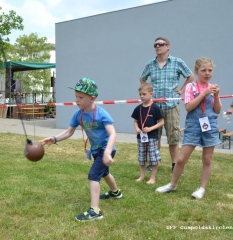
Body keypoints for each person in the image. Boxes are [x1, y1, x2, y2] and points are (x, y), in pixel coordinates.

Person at [40, 78, 122, 221]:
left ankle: (95, 211)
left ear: (92, 98)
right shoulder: (78, 114)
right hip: (96, 150)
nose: (77, 100)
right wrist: (54, 139)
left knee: (93, 175)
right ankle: (115, 192)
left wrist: (108, 152)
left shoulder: (102, 114)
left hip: (106, 148)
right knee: (104, 172)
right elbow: (69, 131)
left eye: (81, 97)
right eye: (76, 97)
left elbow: (113, 133)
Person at [156, 57, 221, 199]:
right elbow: (189, 106)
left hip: (210, 126)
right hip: (193, 126)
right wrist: (204, 93)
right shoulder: (191, 87)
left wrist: (216, 95)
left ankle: (202, 188)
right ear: (197, 71)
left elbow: (217, 110)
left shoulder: (213, 88)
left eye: (210, 70)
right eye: (203, 70)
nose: (207, 73)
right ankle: (172, 185)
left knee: (207, 159)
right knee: (181, 159)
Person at [140, 37, 195, 172]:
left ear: (168, 46)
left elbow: (191, 76)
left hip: (171, 106)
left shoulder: (177, 62)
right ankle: (154, 162)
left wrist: (182, 90)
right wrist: (148, 91)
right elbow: (142, 78)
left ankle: (174, 165)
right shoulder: (150, 65)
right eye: (155, 45)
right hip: (154, 108)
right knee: (153, 137)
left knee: (173, 136)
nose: (158, 46)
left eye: (161, 44)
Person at [131, 83, 164, 184]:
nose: (141, 96)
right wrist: (137, 128)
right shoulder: (138, 108)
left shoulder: (155, 108)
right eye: (140, 94)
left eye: (144, 94)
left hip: (152, 137)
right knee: (142, 157)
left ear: (151, 94)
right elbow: (135, 121)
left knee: (153, 157)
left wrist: (150, 129)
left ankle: (153, 178)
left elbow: (162, 122)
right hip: (141, 137)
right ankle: (142, 176)